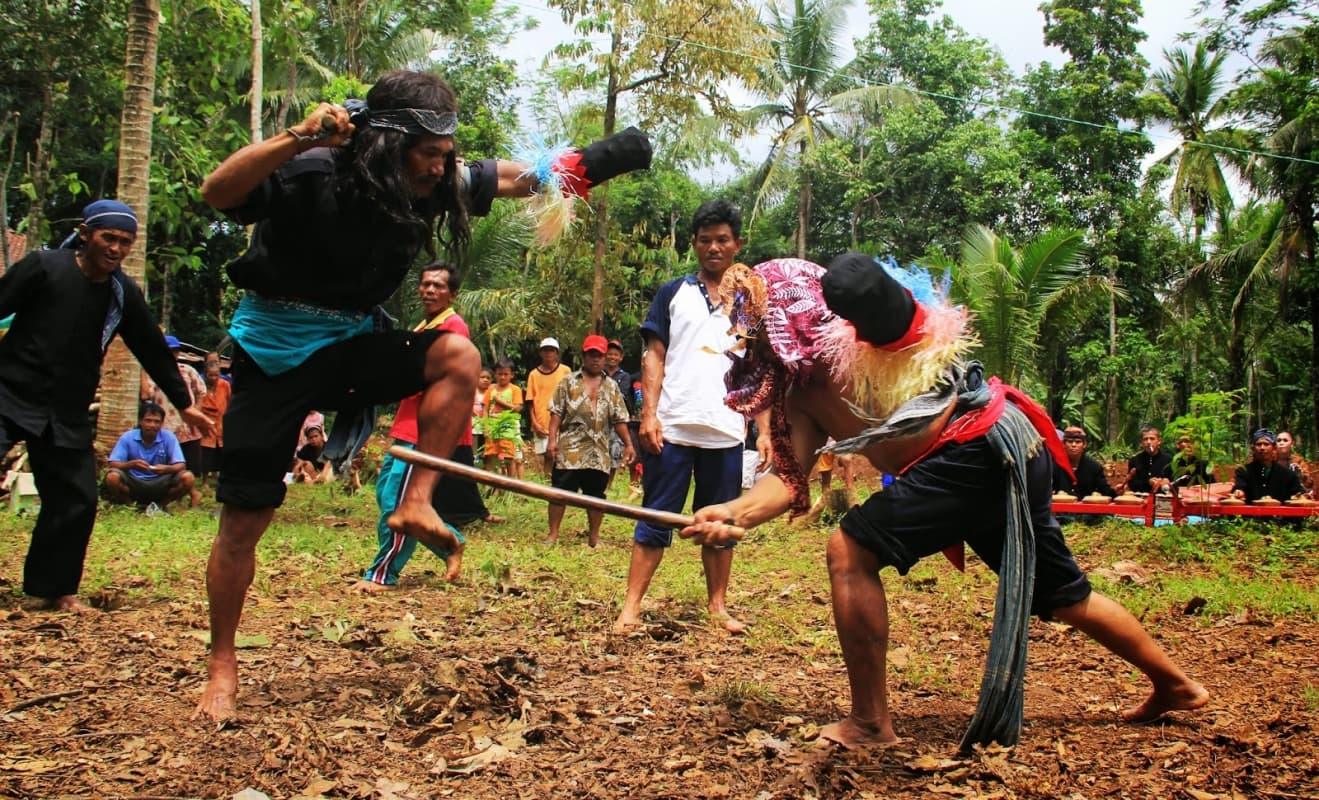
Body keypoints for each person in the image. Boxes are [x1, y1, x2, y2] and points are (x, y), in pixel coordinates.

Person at [194, 69, 650, 720]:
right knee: (245, 521)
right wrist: (297, 137)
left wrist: (613, 155)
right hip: (275, 353)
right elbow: (219, 191)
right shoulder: (313, 170)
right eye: (430, 154)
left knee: (457, 355)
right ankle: (222, 661)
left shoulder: (432, 183)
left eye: (446, 154)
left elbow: (527, 179)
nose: (442, 168)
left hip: (351, 344)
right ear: (388, 144)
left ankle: (415, 504)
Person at [680, 255, 1207, 751]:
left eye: (759, 327)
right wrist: (733, 511)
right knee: (1063, 597)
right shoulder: (800, 393)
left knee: (850, 550)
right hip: (1000, 450)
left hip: (975, 447)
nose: (751, 342)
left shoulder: (863, 341)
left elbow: (895, 312)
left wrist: (856, 286)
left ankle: (869, 722)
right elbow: (788, 481)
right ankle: (1176, 685)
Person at [0, 199, 212, 612]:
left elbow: (151, 347)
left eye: (125, 242)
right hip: (9, 392)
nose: (116, 248)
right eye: (108, 238)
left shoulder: (122, 294)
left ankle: (54, 588)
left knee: (77, 498)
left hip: (66, 408)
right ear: (85, 234)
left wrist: (184, 403)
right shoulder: (44, 267)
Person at [614, 200, 769, 635]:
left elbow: (760, 368)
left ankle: (718, 607)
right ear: (695, 245)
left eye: (723, 239)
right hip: (674, 423)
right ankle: (631, 607)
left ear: (738, 243)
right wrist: (649, 415)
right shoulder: (672, 293)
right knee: (657, 516)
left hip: (726, 427)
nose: (714, 247)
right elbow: (654, 355)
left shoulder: (751, 300)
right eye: (705, 240)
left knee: (719, 523)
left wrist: (765, 430)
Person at [353, 262, 503, 593]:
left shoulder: (453, 328)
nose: (430, 290)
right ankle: (450, 542)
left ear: (453, 294)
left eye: (438, 285)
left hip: (425, 430)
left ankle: (382, 574)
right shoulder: (424, 326)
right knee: (386, 496)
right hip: (405, 424)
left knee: (398, 501)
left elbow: (448, 386)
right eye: (425, 284)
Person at [546, 334, 634, 546]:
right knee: (560, 491)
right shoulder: (568, 381)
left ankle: (594, 536)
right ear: (584, 357)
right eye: (591, 355)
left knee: (596, 495)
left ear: (604, 358)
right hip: (571, 447)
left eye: (599, 356)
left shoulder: (611, 386)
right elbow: (556, 412)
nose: (596, 359)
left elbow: (619, 418)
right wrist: (552, 440)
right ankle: (553, 534)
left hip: (598, 449)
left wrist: (629, 444)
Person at [142, 335, 208, 503]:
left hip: (187, 425)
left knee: (190, 462)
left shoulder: (188, 370)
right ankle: (183, 494)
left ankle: (191, 492)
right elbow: (146, 394)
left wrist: (196, 411)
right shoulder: (153, 372)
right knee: (169, 461)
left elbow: (201, 391)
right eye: (169, 351)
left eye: (175, 351)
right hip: (164, 426)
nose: (173, 354)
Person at [104, 401, 197, 510]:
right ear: (140, 421)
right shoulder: (128, 437)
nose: (152, 425)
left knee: (188, 478)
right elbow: (112, 463)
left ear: (162, 423)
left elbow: (181, 465)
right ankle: (130, 504)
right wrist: (131, 464)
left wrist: (167, 469)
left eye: (156, 422)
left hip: (161, 482)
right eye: (148, 421)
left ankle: (162, 505)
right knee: (112, 477)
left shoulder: (169, 437)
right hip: (134, 481)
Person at [526, 337, 571, 477]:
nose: (548, 354)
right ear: (540, 353)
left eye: (551, 350)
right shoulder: (533, 374)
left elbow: (572, 396)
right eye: (545, 350)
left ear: (557, 353)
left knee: (560, 456)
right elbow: (530, 401)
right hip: (541, 421)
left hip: (561, 422)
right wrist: (534, 422)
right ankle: (546, 484)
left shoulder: (565, 371)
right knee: (544, 457)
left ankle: (558, 485)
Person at [1230, 429, 1303, 503]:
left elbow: (1299, 494)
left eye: (1266, 444)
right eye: (1258, 444)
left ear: (1274, 448)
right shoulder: (1243, 471)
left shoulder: (1288, 474)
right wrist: (1239, 493)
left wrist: (1302, 495)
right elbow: (1239, 488)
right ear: (1253, 449)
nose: (1262, 448)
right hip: (1252, 514)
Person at [483, 359, 525, 477]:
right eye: (499, 374)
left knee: (508, 458)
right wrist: (485, 427)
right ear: (495, 374)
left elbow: (517, 408)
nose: (502, 377)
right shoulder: (491, 389)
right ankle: (493, 486)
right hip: (492, 429)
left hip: (508, 430)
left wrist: (500, 401)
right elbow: (485, 409)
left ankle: (509, 486)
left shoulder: (515, 389)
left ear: (512, 375)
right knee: (492, 457)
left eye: (505, 374)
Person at [1052, 426, 1116, 498]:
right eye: (1070, 442)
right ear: (1063, 444)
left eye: (1078, 442)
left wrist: (1115, 492)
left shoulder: (1094, 467)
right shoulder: (1054, 465)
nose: (1073, 445)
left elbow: (1105, 491)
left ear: (1084, 444)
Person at [604, 339, 633, 490]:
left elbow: (620, 395)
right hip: (599, 419)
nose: (612, 357)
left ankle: (608, 484)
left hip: (616, 421)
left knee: (614, 451)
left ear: (620, 357)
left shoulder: (625, 376)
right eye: (609, 354)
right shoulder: (598, 372)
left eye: (615, 354)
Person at [198, 361, 231, 486]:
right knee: (206, 454)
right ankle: (205, 480)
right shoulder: (201, 387)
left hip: (221, 423)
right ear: (205, 375)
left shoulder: (225, 385)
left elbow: (228, 402)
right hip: (206, 424)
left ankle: (218, 477)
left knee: (221, 452)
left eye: (216, 375)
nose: (214, 378)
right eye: (211, 375)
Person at [1123, 426, 1172, 493]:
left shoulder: (1169, 460)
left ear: (1159, 441)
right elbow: (1131, 484)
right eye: (1145, 439)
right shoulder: (1135, 460)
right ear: (1141, 443)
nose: (1149, 442)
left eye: (1152, 439)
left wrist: (1165, 483)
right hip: (1140, 499)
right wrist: (1148, 482)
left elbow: (1176, 483)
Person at [1275, 431, 1313, 495]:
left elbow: (1309, 486)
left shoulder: (1298, 461)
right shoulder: (1270, 460)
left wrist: (1301, 476)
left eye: (1285, 440)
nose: (1281, 443)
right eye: (1278, 441)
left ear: (1292, 444)